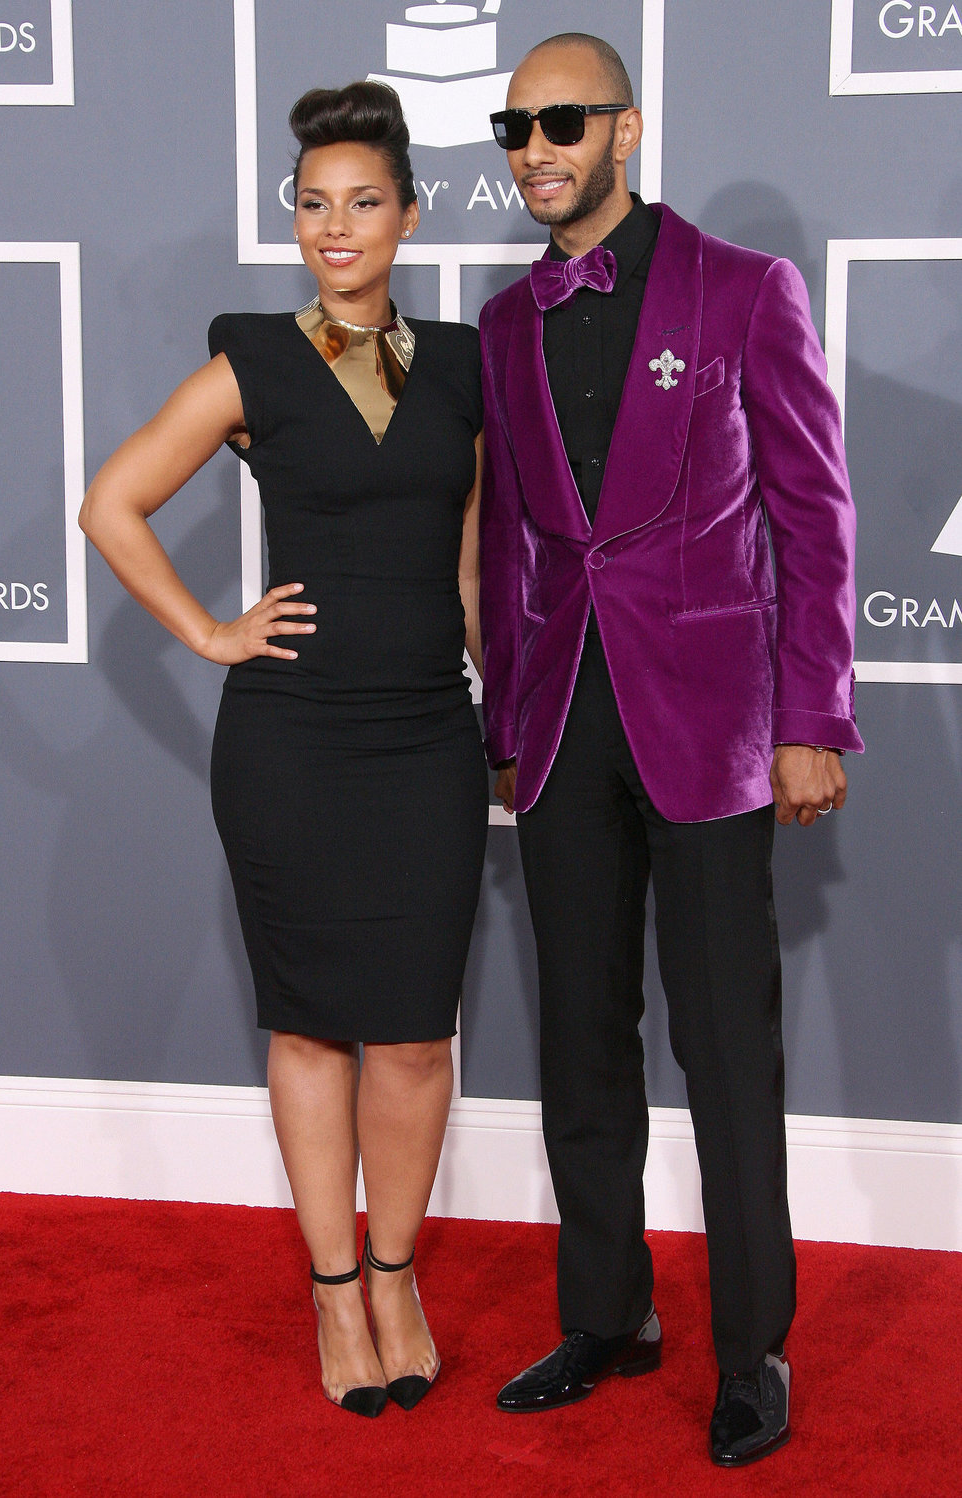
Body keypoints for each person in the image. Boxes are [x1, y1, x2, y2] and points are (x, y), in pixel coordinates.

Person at [478, 33, 863, 1466]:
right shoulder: (508, 321)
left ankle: (750, 1345)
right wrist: (508, 719)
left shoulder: (741, 289)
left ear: (624, 131)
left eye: (560, 120)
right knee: (578, 1035)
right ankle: (607, 1312)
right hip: (564, 720)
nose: (534, 147)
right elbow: (513, 542)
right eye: (512, 126)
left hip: (711, 721)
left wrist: (812, 714)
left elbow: (815, 520)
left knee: (723, 1046)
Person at [80, 81, 487, 1419]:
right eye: (313, 203)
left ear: (409, 217)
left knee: (417, 1035)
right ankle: (330, 1289)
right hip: (293, 740)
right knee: (311, 1023)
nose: (335, 225)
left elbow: (474, 558)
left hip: (428, 730)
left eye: (362, 201)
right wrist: (207, 628)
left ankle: (394, 1272)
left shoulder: (470, 367)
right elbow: (110, 502)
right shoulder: (253, 357)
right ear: (293, 219)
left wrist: (500, 697)